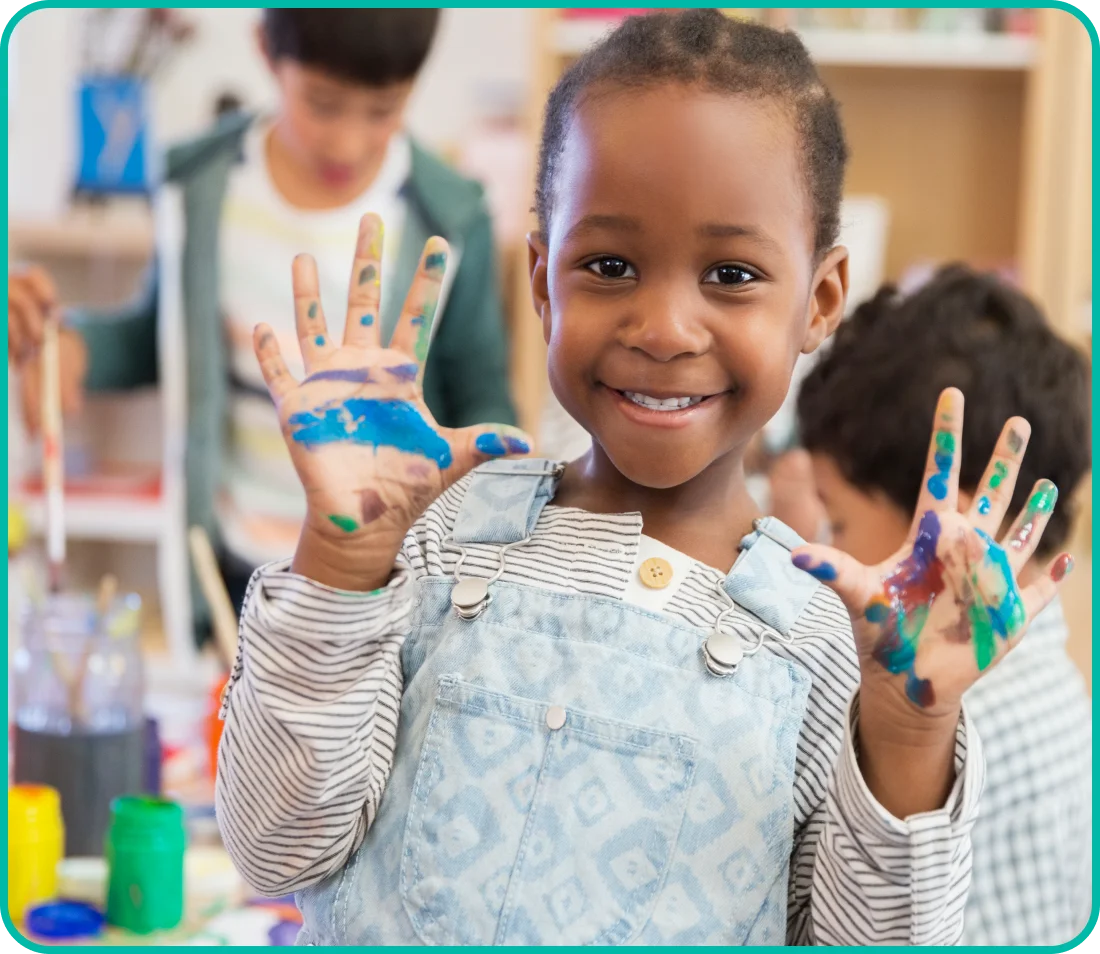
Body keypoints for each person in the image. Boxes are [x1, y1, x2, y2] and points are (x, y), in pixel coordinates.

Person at [215, 11, 1074, 945]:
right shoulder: (433, 538)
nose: (664, 327)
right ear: (544, 281)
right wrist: (343, 569)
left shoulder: (836, 643)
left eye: (732, 273)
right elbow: (276, 849)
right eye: (611, 265)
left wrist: (910, 733)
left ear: (819, 300)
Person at [7, 8, 517, 629]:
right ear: (266, 54)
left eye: (382, 111)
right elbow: (156, 340)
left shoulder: (452, 217)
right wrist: (70, 347)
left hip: (383, 574)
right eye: (323, 104)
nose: (348, 141)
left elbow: (483, 395)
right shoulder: (199, 186)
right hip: (234, 568)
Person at [786, 264, 1092, 945]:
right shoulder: (1050, 674)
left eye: (834, 519)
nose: (821, 539)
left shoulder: (945, 720)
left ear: (948, 544)